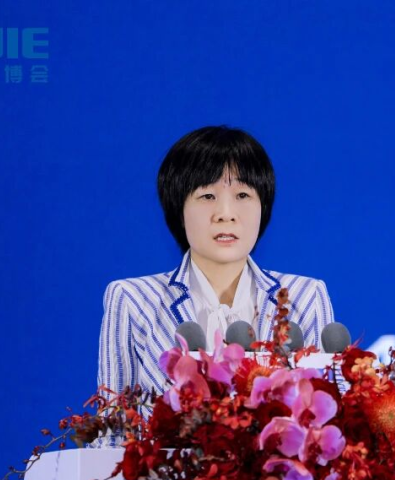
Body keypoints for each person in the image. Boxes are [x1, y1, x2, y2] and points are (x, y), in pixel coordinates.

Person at [96, 125, 335, 400]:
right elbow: (113, 421)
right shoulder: (134, 300)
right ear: (178, 209)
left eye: (243, 195)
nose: (225, 213)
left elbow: (324, 413)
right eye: (207, 196)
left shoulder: (305, 296)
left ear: (263, 207)